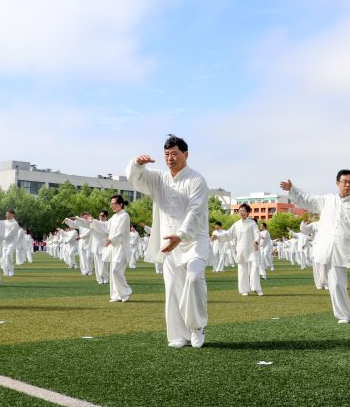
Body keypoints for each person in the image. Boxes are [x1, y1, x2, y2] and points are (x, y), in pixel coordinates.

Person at [127, 134, 210, 348]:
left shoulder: (197, 180)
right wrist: (137, 164)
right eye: (166, 154)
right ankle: (179, 335)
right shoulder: (159, 178)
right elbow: (136, 179)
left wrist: (181, 235)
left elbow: (195, 211)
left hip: (194, 241)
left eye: (174, 154)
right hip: (169, 243)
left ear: (185, 154)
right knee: (173, 288)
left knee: (194, 279)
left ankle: (197, 327)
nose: (170, 158)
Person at [280, 170, 350, 326]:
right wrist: (292, 189)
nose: (347, 185)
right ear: (338, 183)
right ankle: (344, 314)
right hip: (333, 248)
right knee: (336, 283)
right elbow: (308, 199)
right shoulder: (327, 200)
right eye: (344, 181)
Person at [76, 195, 132, 302]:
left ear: (120, 204)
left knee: (116, 270)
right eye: (111, 204)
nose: (112, 206)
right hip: (113, 248)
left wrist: (112, 239)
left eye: (114, 204)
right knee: (113, 271)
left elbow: (122, 233)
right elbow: (105, 227)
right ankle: (116, 295)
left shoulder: (125, 216)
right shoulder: (114, 217)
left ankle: (126, 292)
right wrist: (93, 221)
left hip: (122, 247)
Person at [212, 204, 263, 296]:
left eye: (243, 211)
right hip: (241, 249)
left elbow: (257, 234)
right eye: (239, 211)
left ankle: (256, 288)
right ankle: (244, 290)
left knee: (255, 267)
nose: (241, 213)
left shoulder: (252, 223)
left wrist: (256, 242)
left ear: (248, 212)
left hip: (251, 249)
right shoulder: (236, 224)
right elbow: (228, 234)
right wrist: (218, 236)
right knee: (242, 270)